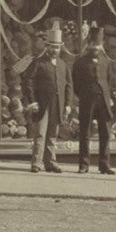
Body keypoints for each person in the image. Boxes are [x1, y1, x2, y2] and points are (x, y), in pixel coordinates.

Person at [26, 21, 71, 173]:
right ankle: (36, 163)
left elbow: (68, 86)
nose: (54, 50)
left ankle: (50, 162)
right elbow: (29, 82)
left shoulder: (63, 65)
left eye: (57, 47)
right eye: (52, 46)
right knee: (40, 133)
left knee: (52, 134)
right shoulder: (38, 63)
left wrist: (68, 104)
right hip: (42, 104)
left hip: (57, 104)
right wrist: (32, 101)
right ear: (47, 46)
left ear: (60, 48)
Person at [73, 24, 115, 175]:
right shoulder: (80, 62)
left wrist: (106, 96)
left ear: (102, 45)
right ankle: (84, 165)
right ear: (89, 44)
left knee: (105, 133)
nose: (96, 47)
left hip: (103, 100)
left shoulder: (107, 62)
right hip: (87, 100)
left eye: (99, 44)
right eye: (94, 44)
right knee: (85, 132)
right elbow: (75, 83)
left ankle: (104, 164)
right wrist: (84, 96)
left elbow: (109, 82)